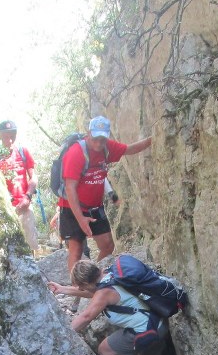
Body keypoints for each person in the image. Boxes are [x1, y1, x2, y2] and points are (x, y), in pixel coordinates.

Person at [49, 259, 166, 355]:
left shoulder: (103, 293)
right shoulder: (109, 274)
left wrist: (61, 335)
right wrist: (63, 289)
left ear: (87, 282)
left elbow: (86, 316)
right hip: (159, 323)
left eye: (81, 285)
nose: (80, 289)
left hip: (145, 332)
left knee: (105, 350)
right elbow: (91, 292)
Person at [58, 116, 151, 273]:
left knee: (108, 245)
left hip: (95, 207)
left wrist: (152, 139)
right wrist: (81, 219)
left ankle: (92, 278)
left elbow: (129, 149)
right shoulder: (76, 153)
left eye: (103, 139)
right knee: (76, 249)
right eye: (95, 139)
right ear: (89, 133)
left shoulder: (107, 148)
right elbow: (70, 188)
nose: (99, 143)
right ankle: (77, 289)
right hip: (71, 207)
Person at [0, 119, 38, 253]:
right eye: (6, 136)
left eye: (12, 136)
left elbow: (33, 177)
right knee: (8, 247)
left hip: (25, 206)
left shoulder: (22, 151)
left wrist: (28, 197)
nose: (10, 140)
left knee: (30, 244)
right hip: (5, 208)